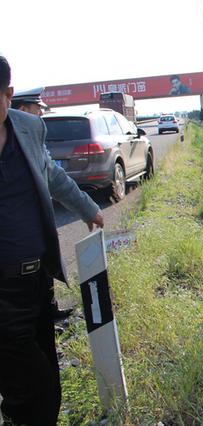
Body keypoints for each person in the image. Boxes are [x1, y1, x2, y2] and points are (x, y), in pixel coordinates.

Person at [0, 55, 104, 426]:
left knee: (46, 381)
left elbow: (54, 178)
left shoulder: (28, 129)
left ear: (7, 95)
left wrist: (88, 208)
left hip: (37, 279)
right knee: (33, 380)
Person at [11, 87, 74, 321]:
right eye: (38, 110)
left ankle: (49, 311)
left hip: (34, 229)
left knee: (43, 265)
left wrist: (87, 209)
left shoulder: (31, 134)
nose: (40, 116)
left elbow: (54, 176)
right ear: (22, 109)